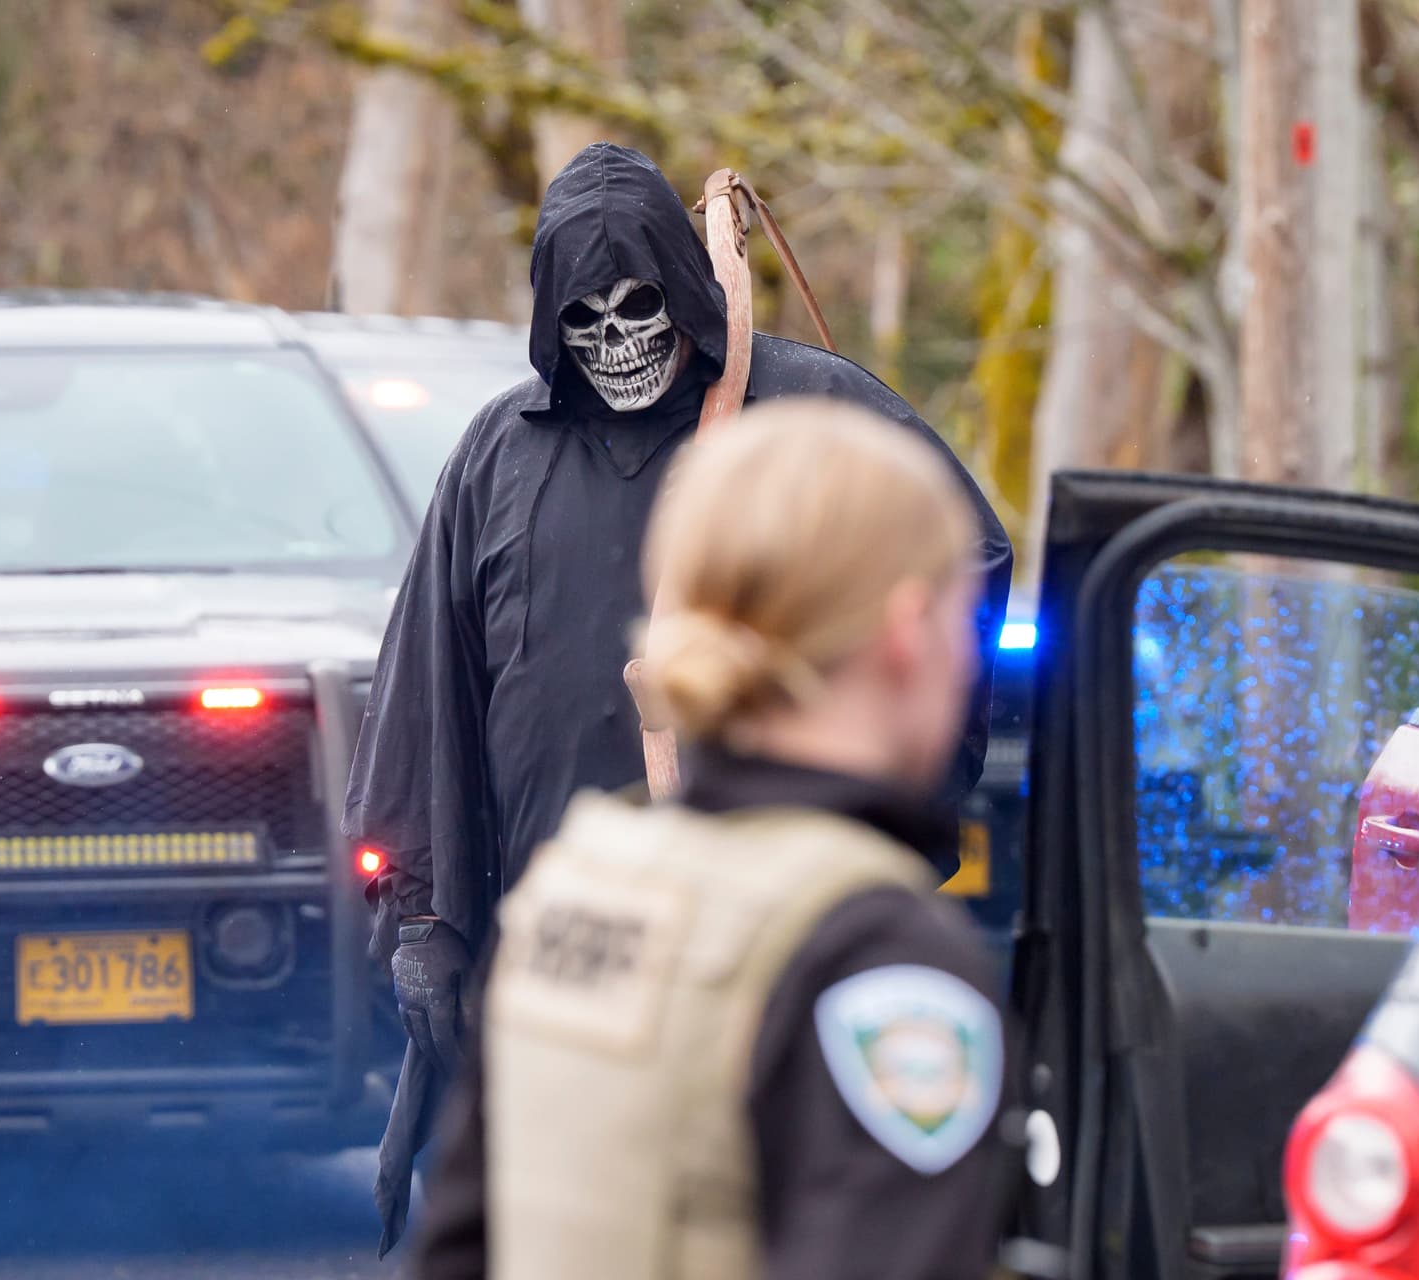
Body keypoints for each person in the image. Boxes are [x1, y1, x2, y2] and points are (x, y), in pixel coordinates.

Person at [343, 143, 1012, 1245]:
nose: (616, 340)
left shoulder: (809, 419)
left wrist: (888, 806)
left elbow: (966, 561)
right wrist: (426, 905)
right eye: (585, 318)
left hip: (762, 896)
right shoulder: (499, 458)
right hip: (557, 887)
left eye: (638, 305)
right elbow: (430, 681)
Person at [409, 399, 1020, 1280]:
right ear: (905, 630)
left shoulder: (574, 890)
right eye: (965, 621)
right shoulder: (880, 957)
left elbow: (458, 1248)